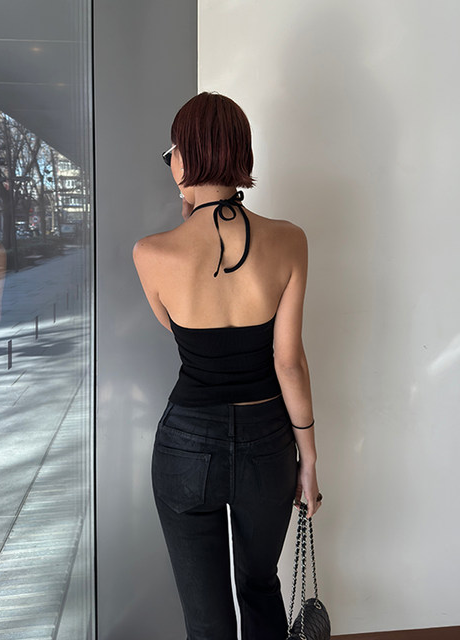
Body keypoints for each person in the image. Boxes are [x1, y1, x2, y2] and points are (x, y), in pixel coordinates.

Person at [132, 91, 322, 640]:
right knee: (260, 587)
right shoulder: (289, 240)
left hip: (186, 445)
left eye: (171, 151)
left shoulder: (151, 253)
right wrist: (308, 458)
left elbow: (181, 333)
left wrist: (189, 216)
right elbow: (288, 361)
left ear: (186, 158)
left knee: (206, 618)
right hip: (269, 443)